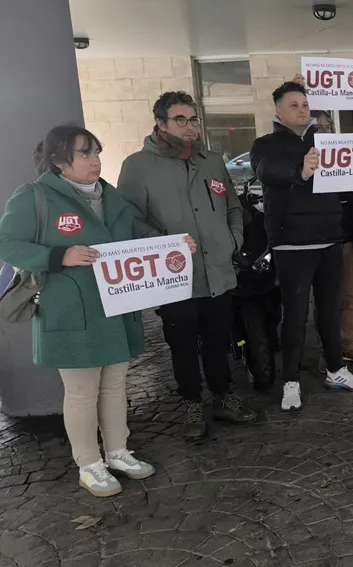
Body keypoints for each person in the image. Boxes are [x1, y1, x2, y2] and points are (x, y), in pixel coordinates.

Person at [0, 126, 187, 496]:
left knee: (116, 385)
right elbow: (7, 243)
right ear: (58, 161)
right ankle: (89, 464)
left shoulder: (109, 195)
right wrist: (58, 255)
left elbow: (135, 232)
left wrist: (171, 247)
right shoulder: (35, 196)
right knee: (82, 392)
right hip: (71, 310)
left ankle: (118, 452)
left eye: (96, 152)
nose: (95, 161)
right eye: (84, 154)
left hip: (115, 306)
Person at [119, 92, 256, 439]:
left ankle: (224, 397)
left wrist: (233, 241)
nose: (190, 126)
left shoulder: (211, 160)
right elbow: (128, 218)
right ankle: (192, 402)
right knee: (181, 343)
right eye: (180, 119)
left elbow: (232, 207)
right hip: (174, 277)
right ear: (161, 124)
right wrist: (162, 245)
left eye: (193, 119)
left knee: (218, 339)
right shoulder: (138, 166)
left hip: (218, 271)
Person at [250, 82, 353, 412]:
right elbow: (264, 170)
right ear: (277, 111)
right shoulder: (266, 144)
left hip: (330, 238)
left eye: (304, 104)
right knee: (295, 315)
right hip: (292, 243)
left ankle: (335, 370)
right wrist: (299, 171)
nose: (302, 109)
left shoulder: (326, 142)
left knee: (330, 310)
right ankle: (291, 381)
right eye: (293, 105)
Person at [309, 99, 353, 369]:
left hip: (347, 237)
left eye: (328, 126)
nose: (324, 130)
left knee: (348, 297)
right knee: (326, 299)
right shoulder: (302, 157)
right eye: (318, 126)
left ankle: (348, 346)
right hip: (317, 239)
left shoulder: (342, 152)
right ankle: (329, 351)